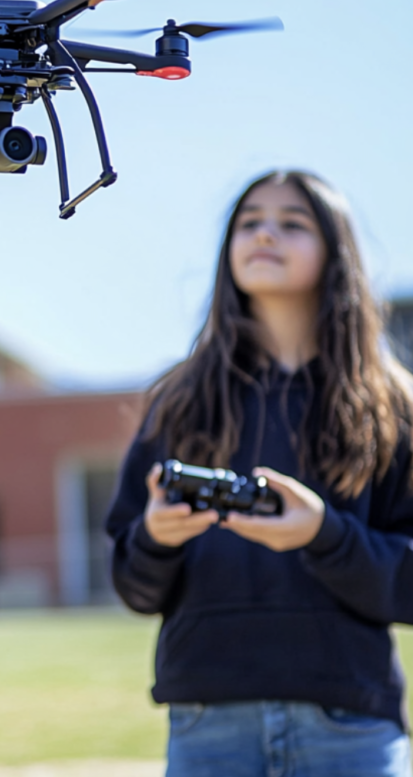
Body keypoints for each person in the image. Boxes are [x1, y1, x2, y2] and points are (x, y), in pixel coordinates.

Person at [106, 170, 413, 777]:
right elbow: (133, 587)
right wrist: (156, 537)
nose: (265, 234)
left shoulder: (391, 405)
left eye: (292, 223)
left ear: (335, 250)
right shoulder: (179, 400)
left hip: (349, 721)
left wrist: (324, 536)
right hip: (206, 720)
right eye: (250, 223)